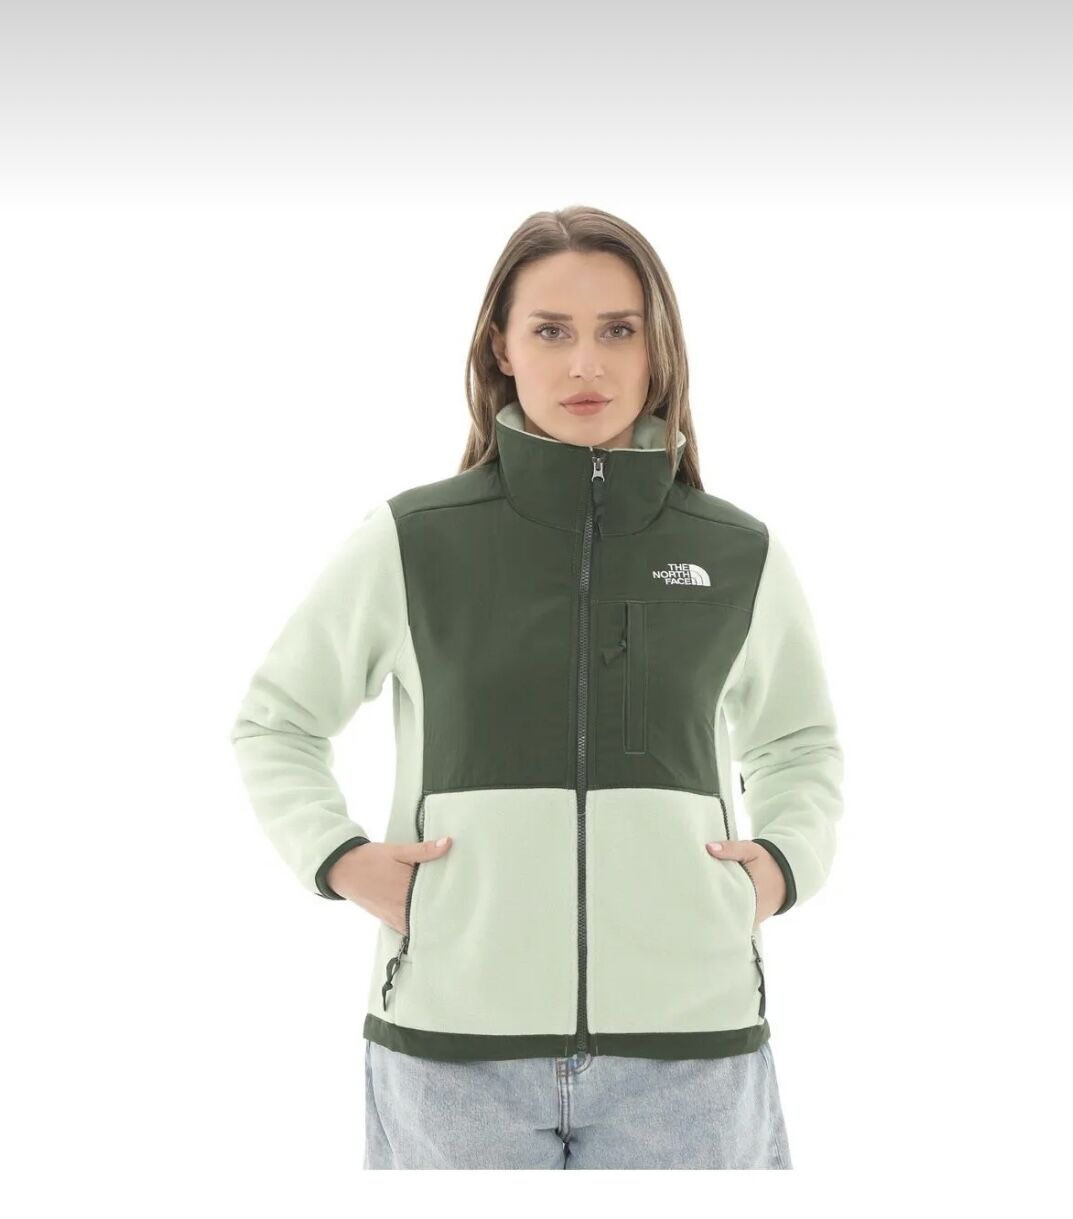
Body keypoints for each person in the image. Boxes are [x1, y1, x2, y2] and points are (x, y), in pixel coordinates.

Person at [229, 204, 844, 1169]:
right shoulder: (414, 540)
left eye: (618, 330)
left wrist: (779, 864)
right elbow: (277, 720)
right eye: (551, 331)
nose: (585, 364)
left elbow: (798, 743)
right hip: (454, 1048)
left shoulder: (735, 552)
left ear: (658, 349)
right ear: (501, 348)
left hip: (690, 1050)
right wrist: (340, 857)